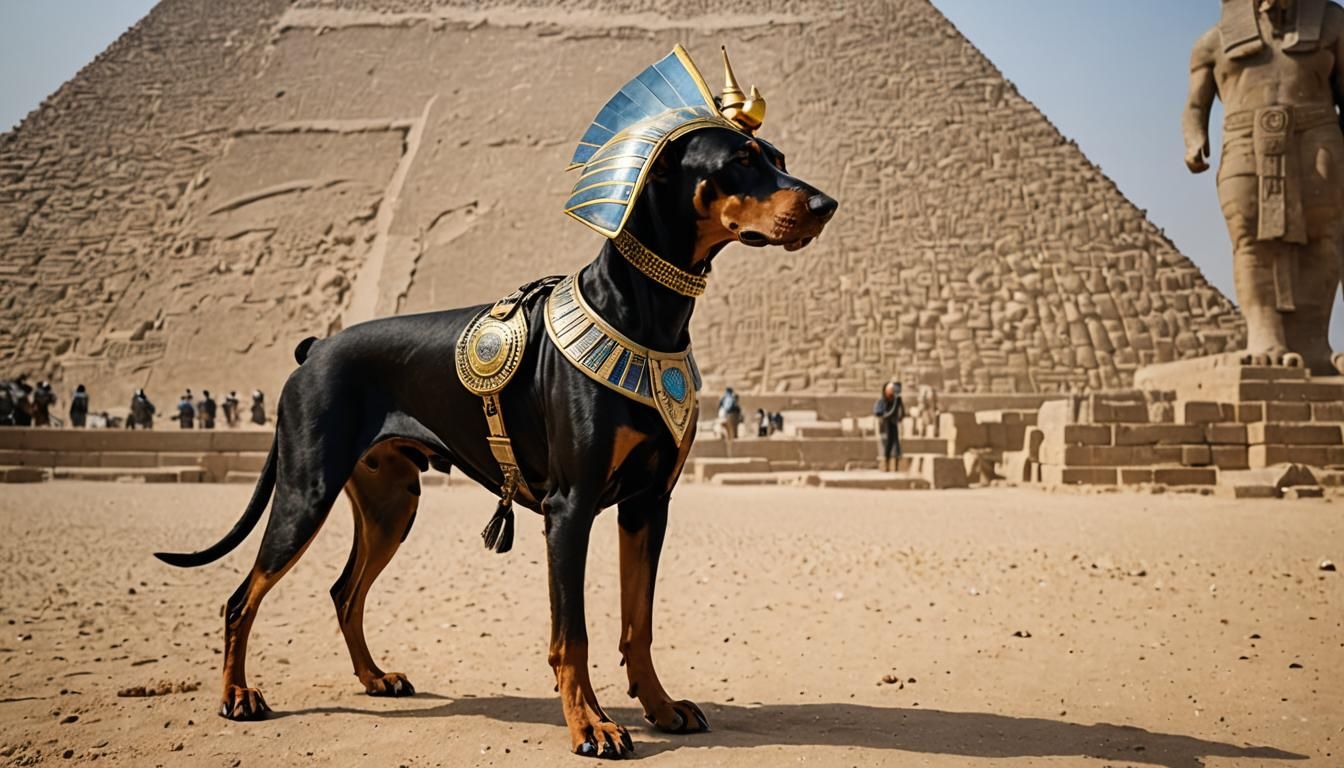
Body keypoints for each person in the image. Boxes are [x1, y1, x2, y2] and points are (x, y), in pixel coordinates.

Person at [873, 380, 905, 472]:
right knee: (886, 446)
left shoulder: (896, 401)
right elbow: (881, 414)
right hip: (884, 427)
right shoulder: (881, 402)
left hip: (893, 425)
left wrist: (899, 403)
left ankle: (896, 467)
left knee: (896, 446)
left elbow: (901, 414)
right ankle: (885, 466)